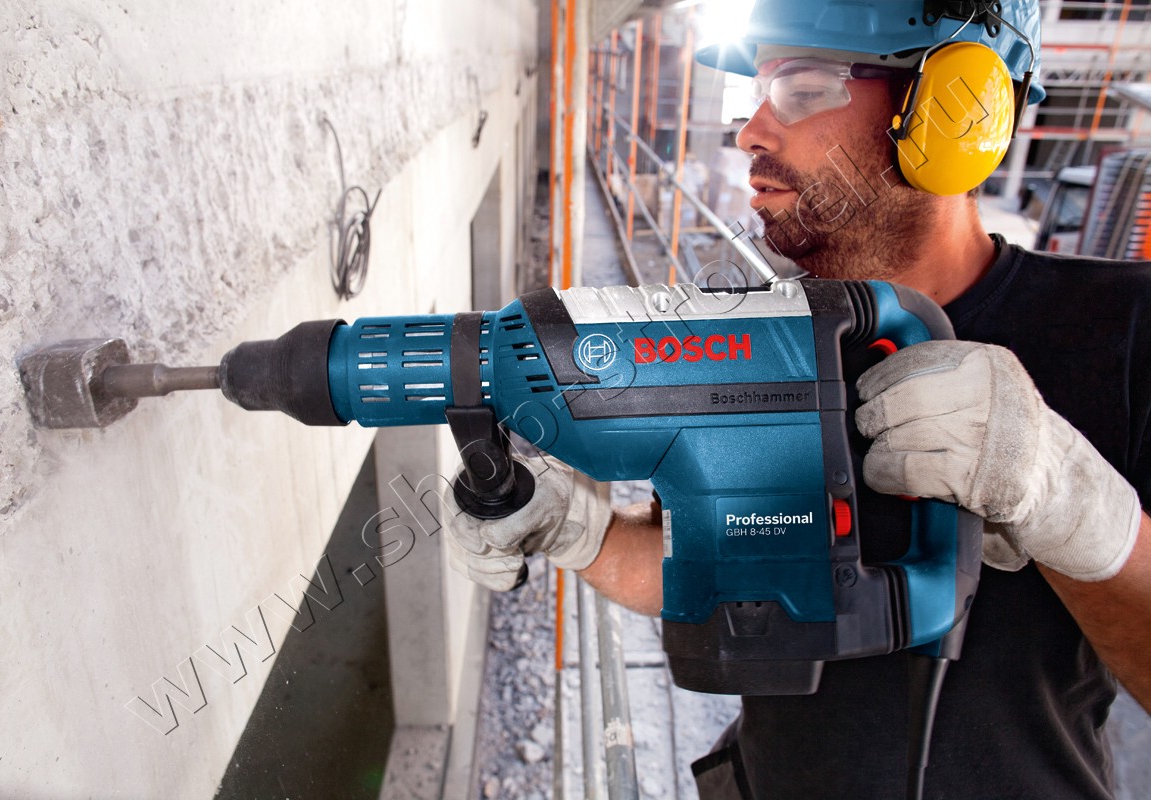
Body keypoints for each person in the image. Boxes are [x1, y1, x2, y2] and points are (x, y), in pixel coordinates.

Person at [446, 1, 1151, 797]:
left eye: (802, 88)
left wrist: (1077, 507)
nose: (749, 132)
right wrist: (583, 531)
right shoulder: (759, 333)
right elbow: (720, 567)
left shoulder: (1125, 331)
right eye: (757, 93)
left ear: (958, 111)